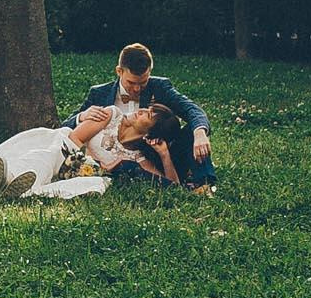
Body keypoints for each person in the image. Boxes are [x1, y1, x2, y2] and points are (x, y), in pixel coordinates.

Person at [65, 42, 216, 192]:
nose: (137, 89)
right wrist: (81, 116)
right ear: (119, 71)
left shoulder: (160, 87)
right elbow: (65, 127)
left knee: (194, 129)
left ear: (150, 72)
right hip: (126, 165)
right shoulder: (99, 93)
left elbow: (191, 109)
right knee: (128, 167)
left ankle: (204, 184)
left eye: (143, 82)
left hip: (157, 157)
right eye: (131, 83)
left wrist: (200, 133)